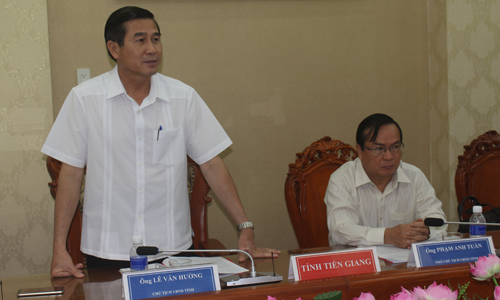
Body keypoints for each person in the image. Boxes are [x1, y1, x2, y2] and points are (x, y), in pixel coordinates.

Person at [42, 6, 279, 278]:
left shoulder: (183, 97)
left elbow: (212, 164)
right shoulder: (84, 99)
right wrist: (59, 248)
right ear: (114, 48)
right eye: (140, 40)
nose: (152, 49)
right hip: (107, 251)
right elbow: (70, 175)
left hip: (174, 250)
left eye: (156, 39)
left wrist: (245, 228)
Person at [324, 113, 447, 249]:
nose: (389, 156)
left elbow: (439, 222)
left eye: (395, 147)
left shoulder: (414, 176)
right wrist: (387, 235)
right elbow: (340, 231)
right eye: (379, 149)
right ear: (360, 150)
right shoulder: (342, 179)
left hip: (403, 266)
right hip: (357, 265)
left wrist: (427, 231)